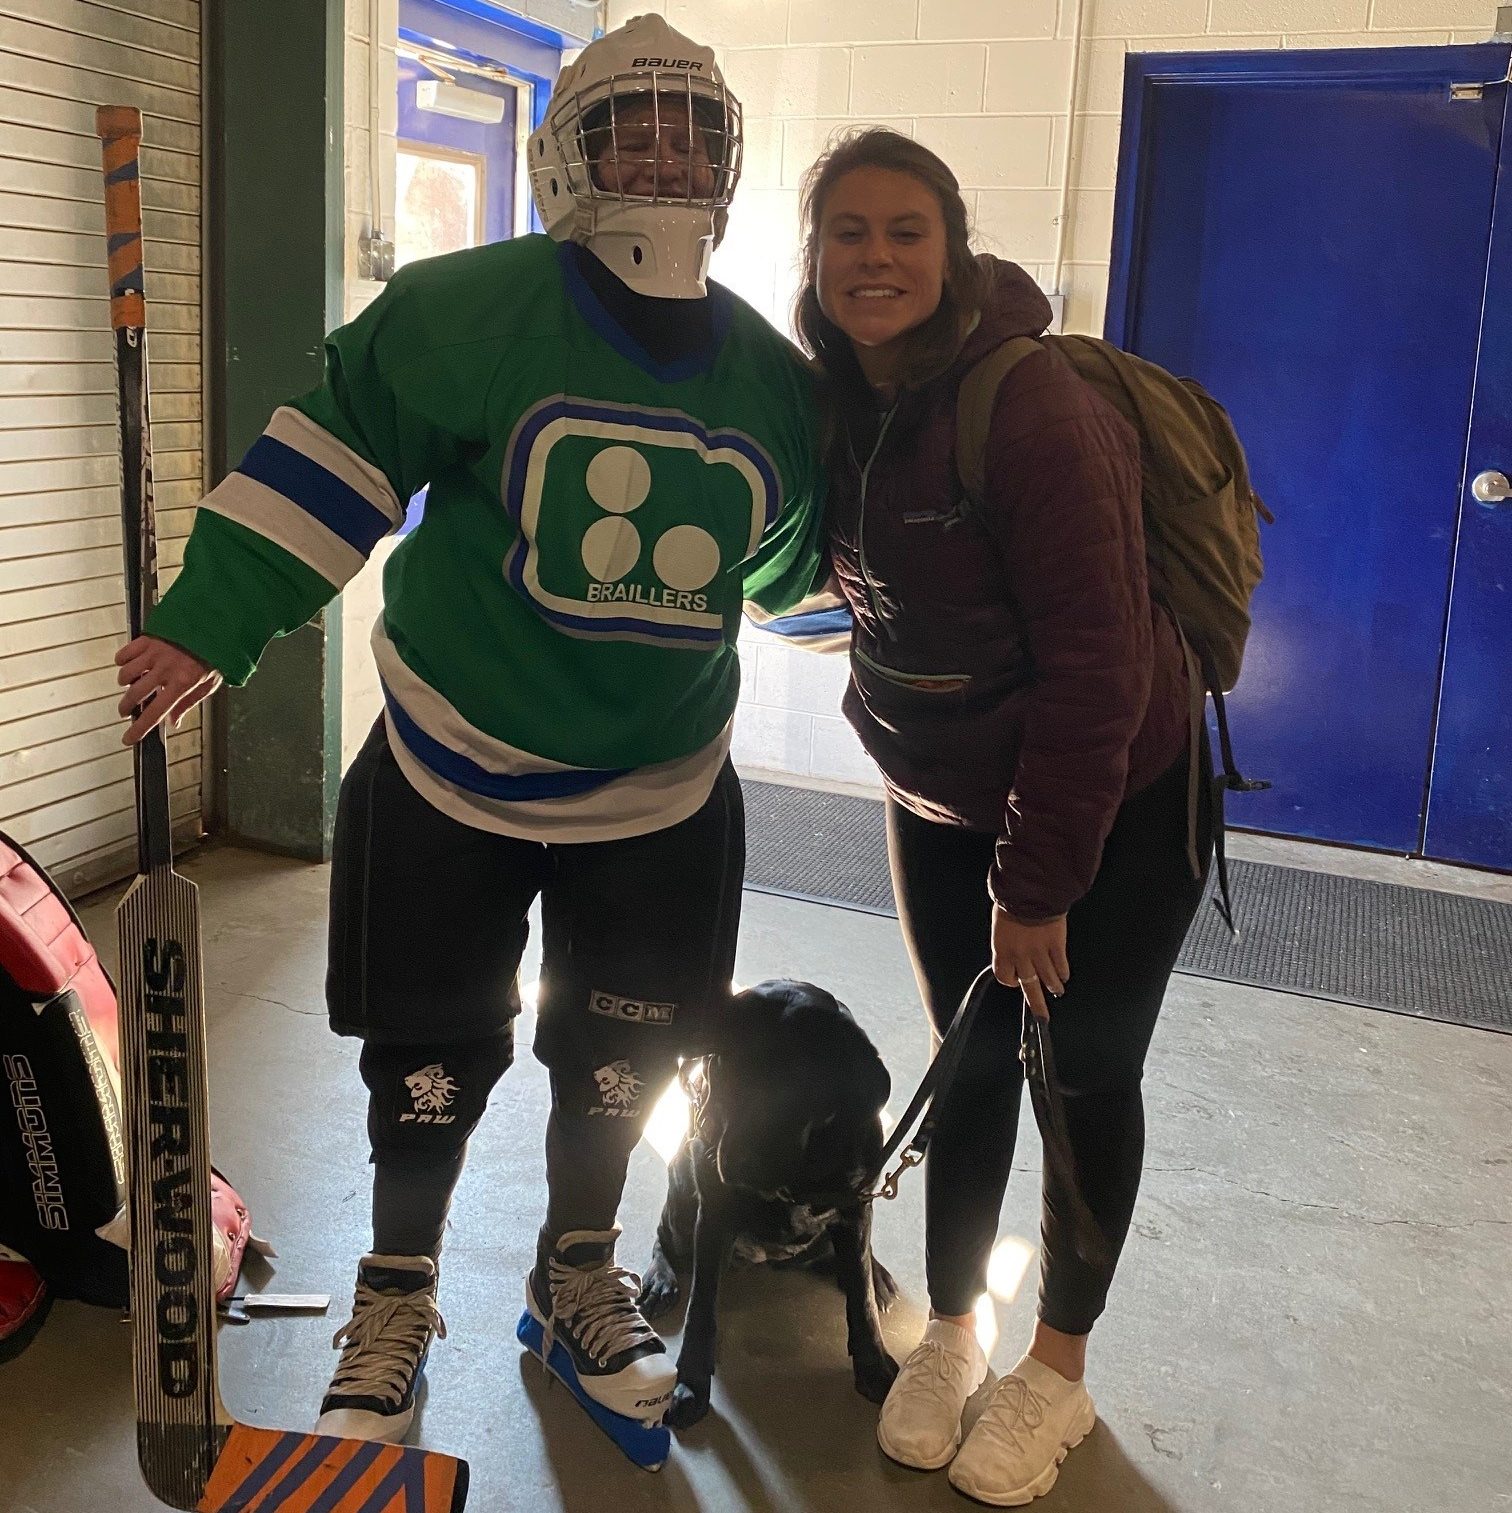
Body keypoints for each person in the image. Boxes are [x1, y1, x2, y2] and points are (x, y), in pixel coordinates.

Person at [114, 15, 827, 1445]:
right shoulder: (463, 311)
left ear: (729, 161)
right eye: (638, 124)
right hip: (455, 765)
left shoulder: (772, 382)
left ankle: (577, 1273)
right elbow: (332, 454)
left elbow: (796, 574)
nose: (668, 151)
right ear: (575, 152)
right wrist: (211, 616)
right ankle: (398, 1284)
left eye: (696, 127)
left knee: (621, 1061)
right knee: (429, 1056)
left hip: (661, 792)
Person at [792, 127, 1214, 1505]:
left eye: (907, 230)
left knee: (1079, 1070)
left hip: (1117, 799)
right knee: (968, 1059)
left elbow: (1102, 666)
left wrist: (1036, 885)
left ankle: (1058, 1373)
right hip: (945, 795)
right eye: (849, 229)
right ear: (816, 253)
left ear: (953, 247)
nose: (877, 256)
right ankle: (956, 1334)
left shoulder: (1026, 403)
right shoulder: (835, 397)